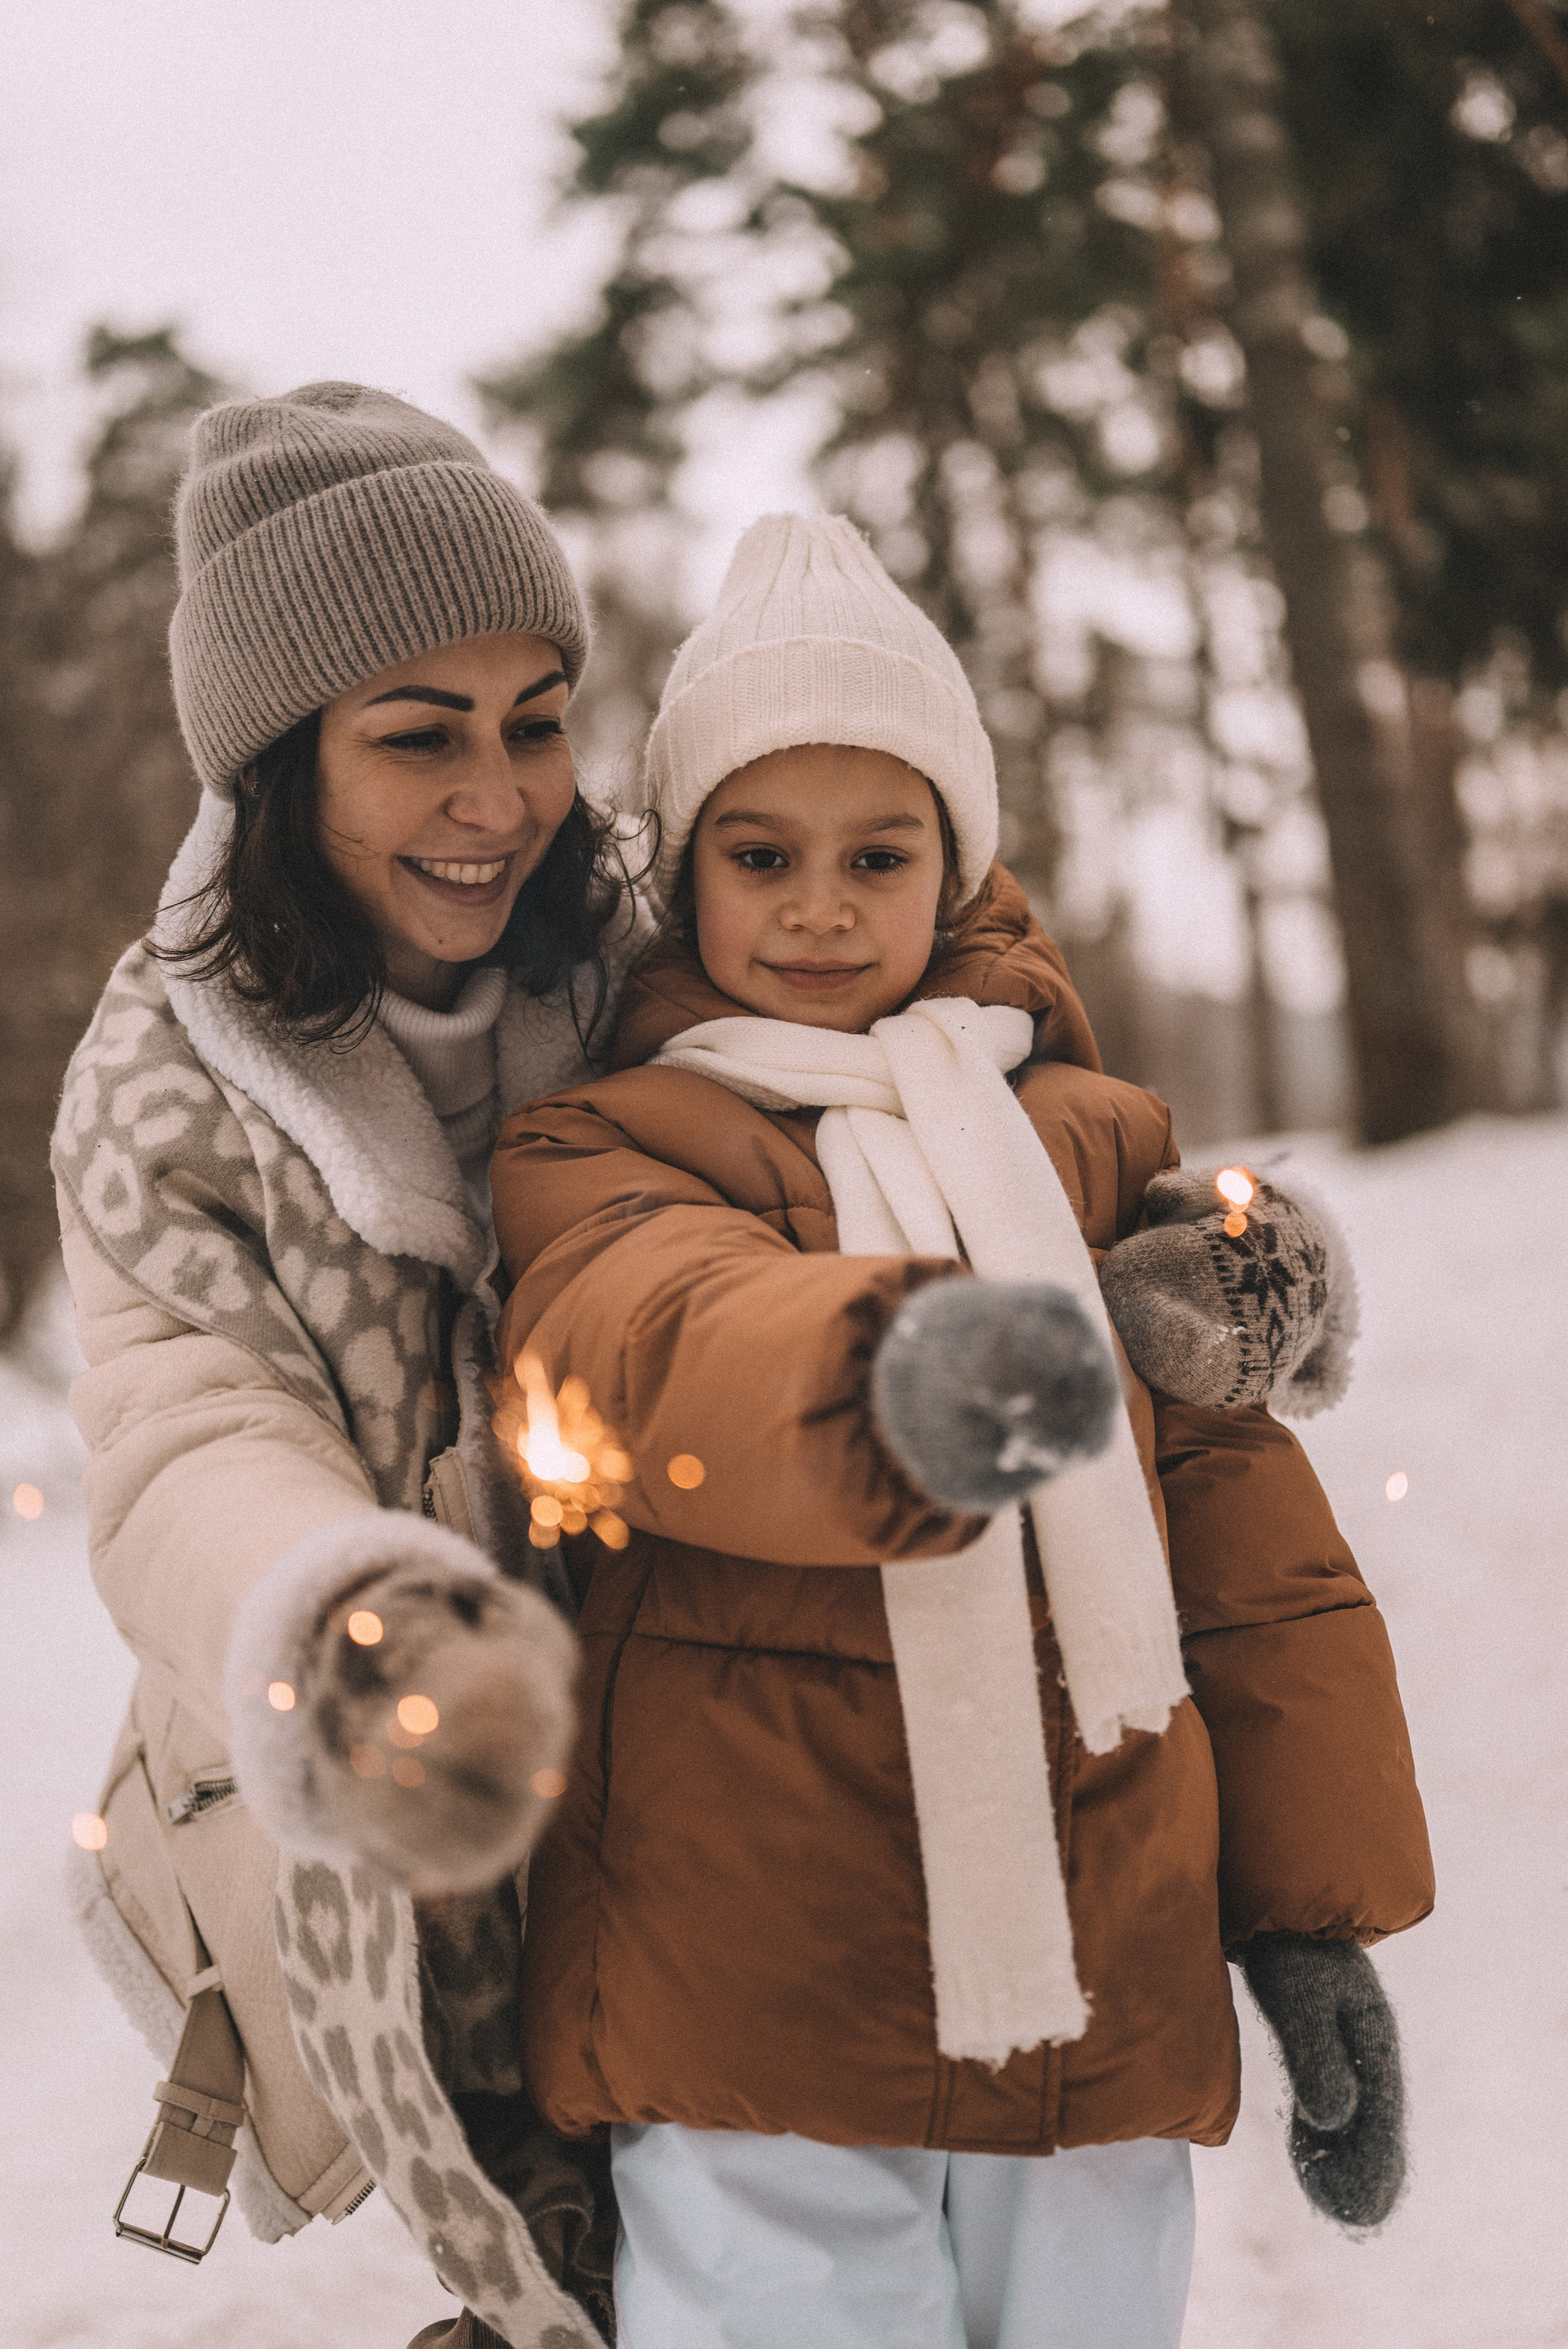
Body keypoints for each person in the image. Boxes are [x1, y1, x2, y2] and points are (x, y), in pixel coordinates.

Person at [485, 515, 1436, 2349]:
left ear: (959, 861)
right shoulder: (609, 1145)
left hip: (1094, 1973)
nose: (822, 905)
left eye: (878, 852)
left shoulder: (1092, 1149)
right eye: (762, 856)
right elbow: (649, 1340)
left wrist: (1312, 1921)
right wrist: (891, 1370)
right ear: (688, 877)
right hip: (752, 1975)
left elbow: (1246, 1554)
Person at [54, 382, 651, 2348]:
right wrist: (355, 1613)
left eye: (535, 720)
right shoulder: (168, 1087)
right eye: (419, 736)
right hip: (426, 1821)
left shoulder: (648, 961)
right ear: (279, 771)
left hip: (716, 1773)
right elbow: (184, 1433)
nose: (503, 798)